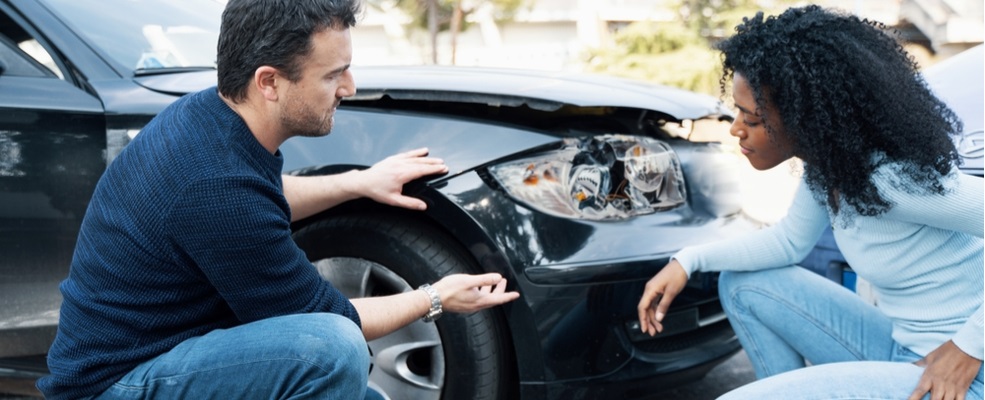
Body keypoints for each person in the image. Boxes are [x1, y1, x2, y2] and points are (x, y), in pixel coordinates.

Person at [37, 0, 520, 398]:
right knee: (330, 351)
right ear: (269, 82)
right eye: (334, 75)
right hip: (115, 386)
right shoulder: (212, 182)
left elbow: (259, 201)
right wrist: (435, 297)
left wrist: (358, 182)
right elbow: (332, 320)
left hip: (170, 352)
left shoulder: (208, 118)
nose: (349, 88)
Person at [637, 5, 983, 400]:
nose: (735, 129)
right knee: (743, 284)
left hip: (963, 377)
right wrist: (688, 260)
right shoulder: (830, 170)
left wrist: (968, 348)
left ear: (805, 119)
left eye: (751, 119)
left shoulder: (893, 180)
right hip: (904, 354)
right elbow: (788, 243)